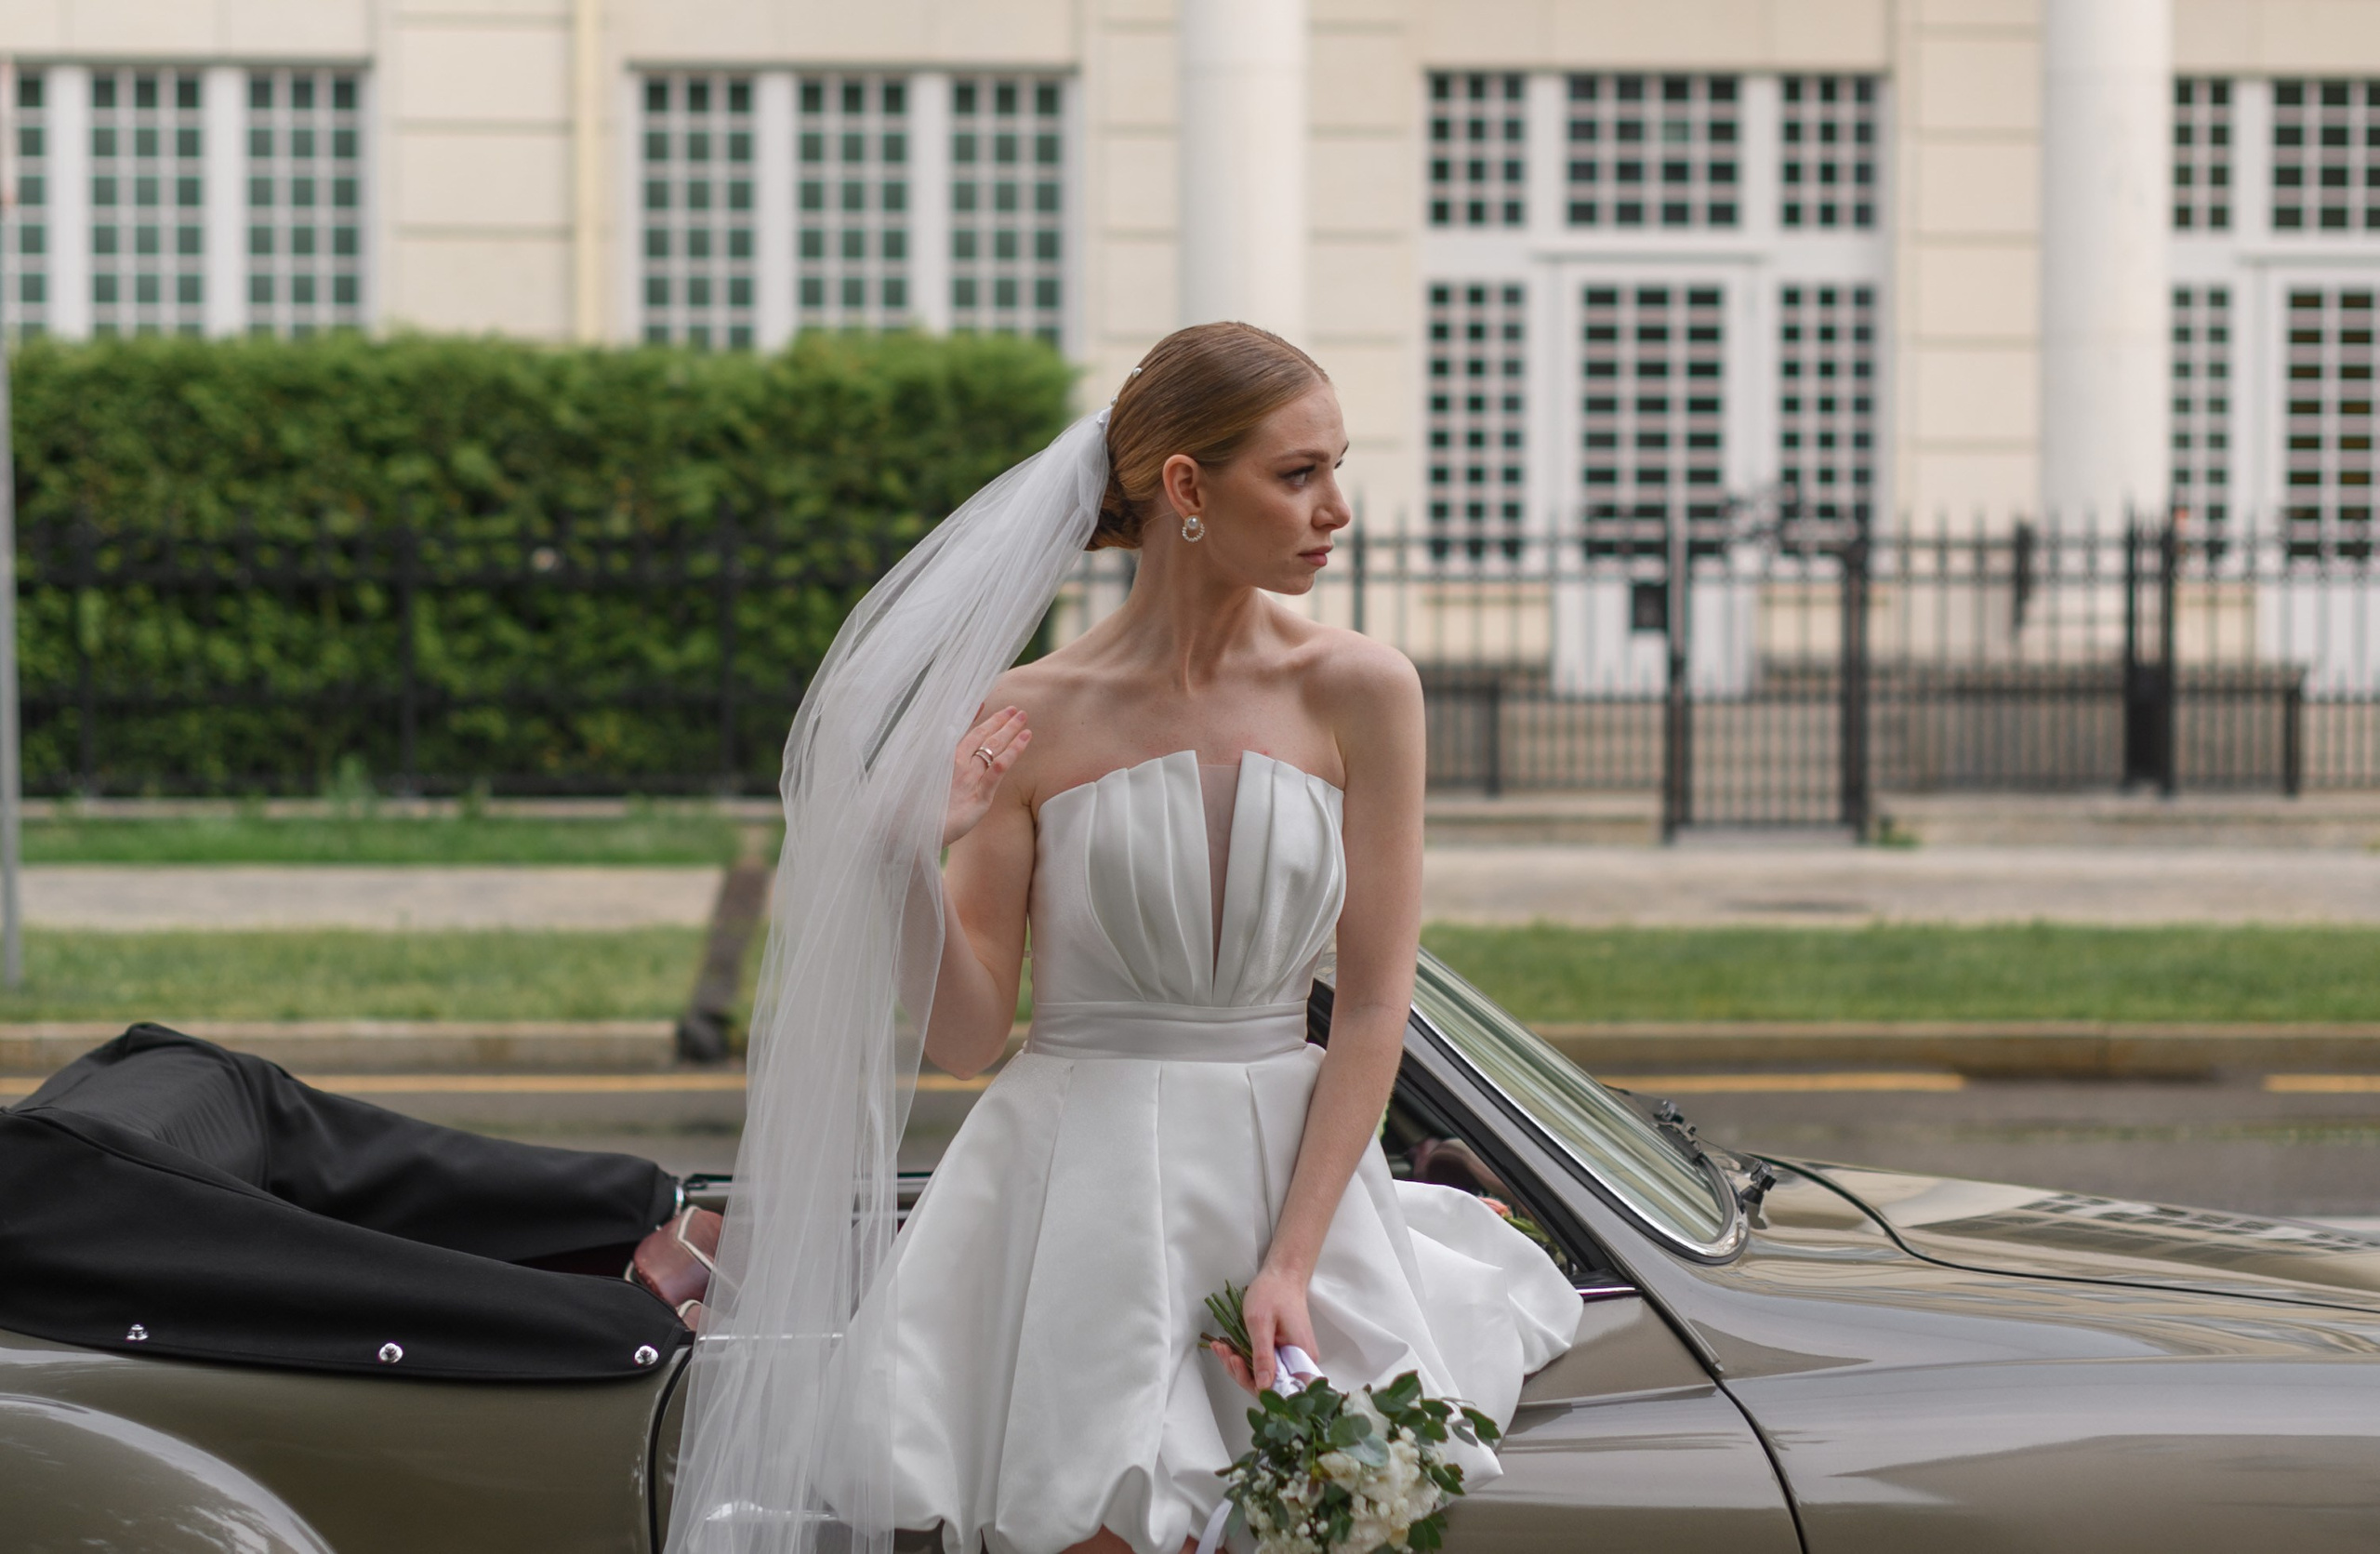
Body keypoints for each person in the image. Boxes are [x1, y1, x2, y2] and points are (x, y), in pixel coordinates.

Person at [664, 324, 1576, 1554]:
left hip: (1288, 1190)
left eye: (1336, 469)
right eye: (1298, 475)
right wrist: (899, 863)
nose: (1338, 510)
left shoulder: (1366, 692)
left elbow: (1369, 1008)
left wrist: (1291, 1264)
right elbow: (970, 1037)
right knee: (1089, 1517)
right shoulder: (1028, 713)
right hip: (1067, 1200)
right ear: (1189, 490)